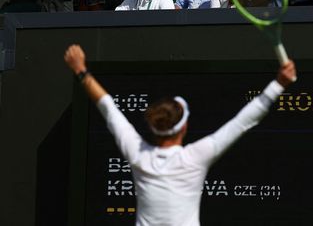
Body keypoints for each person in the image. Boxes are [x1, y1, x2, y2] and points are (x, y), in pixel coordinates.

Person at [63, 44, 296, 224]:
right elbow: (244, 121)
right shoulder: (196, 156)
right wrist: (279, 83)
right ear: (184, 128)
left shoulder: (137, 154)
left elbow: (108, 107)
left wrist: (81, 71)